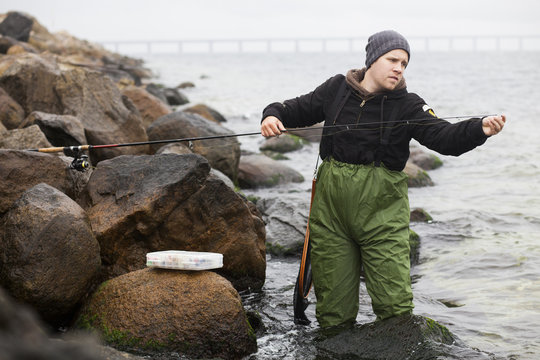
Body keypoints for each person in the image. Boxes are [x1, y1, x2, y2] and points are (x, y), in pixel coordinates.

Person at [260, 30, 506, 329]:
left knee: (395, 308)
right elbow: (294, 109)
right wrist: (271, 116)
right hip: (331, 216)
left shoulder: (409, 105)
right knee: (333, 312)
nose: (399, 68)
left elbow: (445, 138)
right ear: (373, 59)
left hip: (382, 217)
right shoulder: (337, 88)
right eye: (393, 59)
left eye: (404, 63)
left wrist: (479, 129)